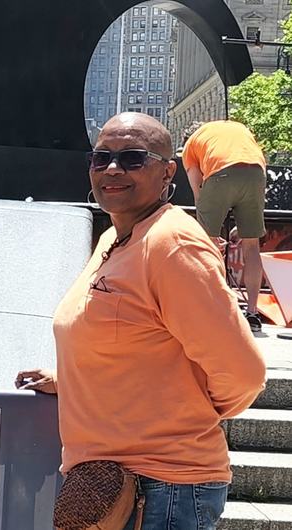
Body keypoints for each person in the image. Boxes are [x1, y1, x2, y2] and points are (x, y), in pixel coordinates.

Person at [16, 113, 266, 530]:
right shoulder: (114, 239)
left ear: (168, 171)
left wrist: (184, 416)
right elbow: (130, 337)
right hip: (114, 484)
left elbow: (244, 374)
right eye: (102, 158)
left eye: (133, 158)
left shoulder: (172, 244)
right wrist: (72, 379)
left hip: (163, 490)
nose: (113, 169)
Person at [181, 120, 268, 332]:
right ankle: (253, 312)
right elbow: (246, 171)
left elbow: (197, 191)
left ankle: (213, 308)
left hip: (221, 174)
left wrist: (209, 232)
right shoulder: (236, 128)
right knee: (251, 246)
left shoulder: (191, 144)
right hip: (256, 174)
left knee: (206, 245)